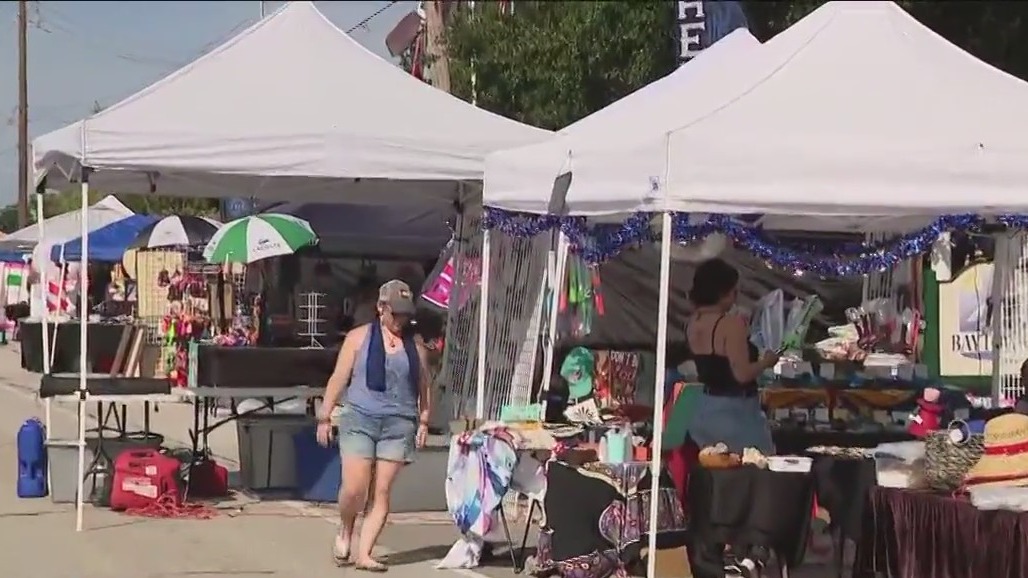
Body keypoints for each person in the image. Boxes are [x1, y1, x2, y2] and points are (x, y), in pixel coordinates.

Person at [316, 280, 432, 572]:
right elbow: (339, 377)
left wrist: (424, 420)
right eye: (396, 313)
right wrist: (325, 416)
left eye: (405, 314)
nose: (401, 320)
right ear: (381, 308)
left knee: (381, 491)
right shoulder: (358, 338)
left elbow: (424, 385)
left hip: (398, 424)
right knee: (355, 489)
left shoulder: (415, 345)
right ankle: (346, 528)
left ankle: (365, 553)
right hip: (360, 419)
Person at [685, 258, 779, 454]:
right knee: (757, 465)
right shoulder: (730, 324)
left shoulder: (693, 321)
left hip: (702, 407)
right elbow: (742, 374)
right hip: (735, 412)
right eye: (734, 292)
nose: (736, 298)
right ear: (723, 293)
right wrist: (767, 362)